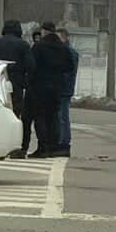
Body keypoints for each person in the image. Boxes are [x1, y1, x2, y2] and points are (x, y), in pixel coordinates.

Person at [0, 20, 35, 159]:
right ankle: (16, 148)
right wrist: (25, 82)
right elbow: (31, 66)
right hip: (16, 84)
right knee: (15, 115)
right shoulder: (23, 45)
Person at [29, 22, 74, 158]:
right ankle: (53, 146)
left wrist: (31, 81)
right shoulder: (63, 47)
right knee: (54, 117)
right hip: (57, 87)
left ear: (44, 31)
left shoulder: (39, 46)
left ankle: (43, 147)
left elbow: (31, 66)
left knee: (40, 117)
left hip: (40, 87)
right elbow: (70, 66)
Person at [55, 28, 80, 156]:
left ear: (65, 38)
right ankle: (62, 141)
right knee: (61, 116)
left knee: (62, 117)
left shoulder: (69, 52)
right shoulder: (66, 51)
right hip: (65, 88)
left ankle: (64, 142)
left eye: (58, 38)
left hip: (64, 89)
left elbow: (67, 72)